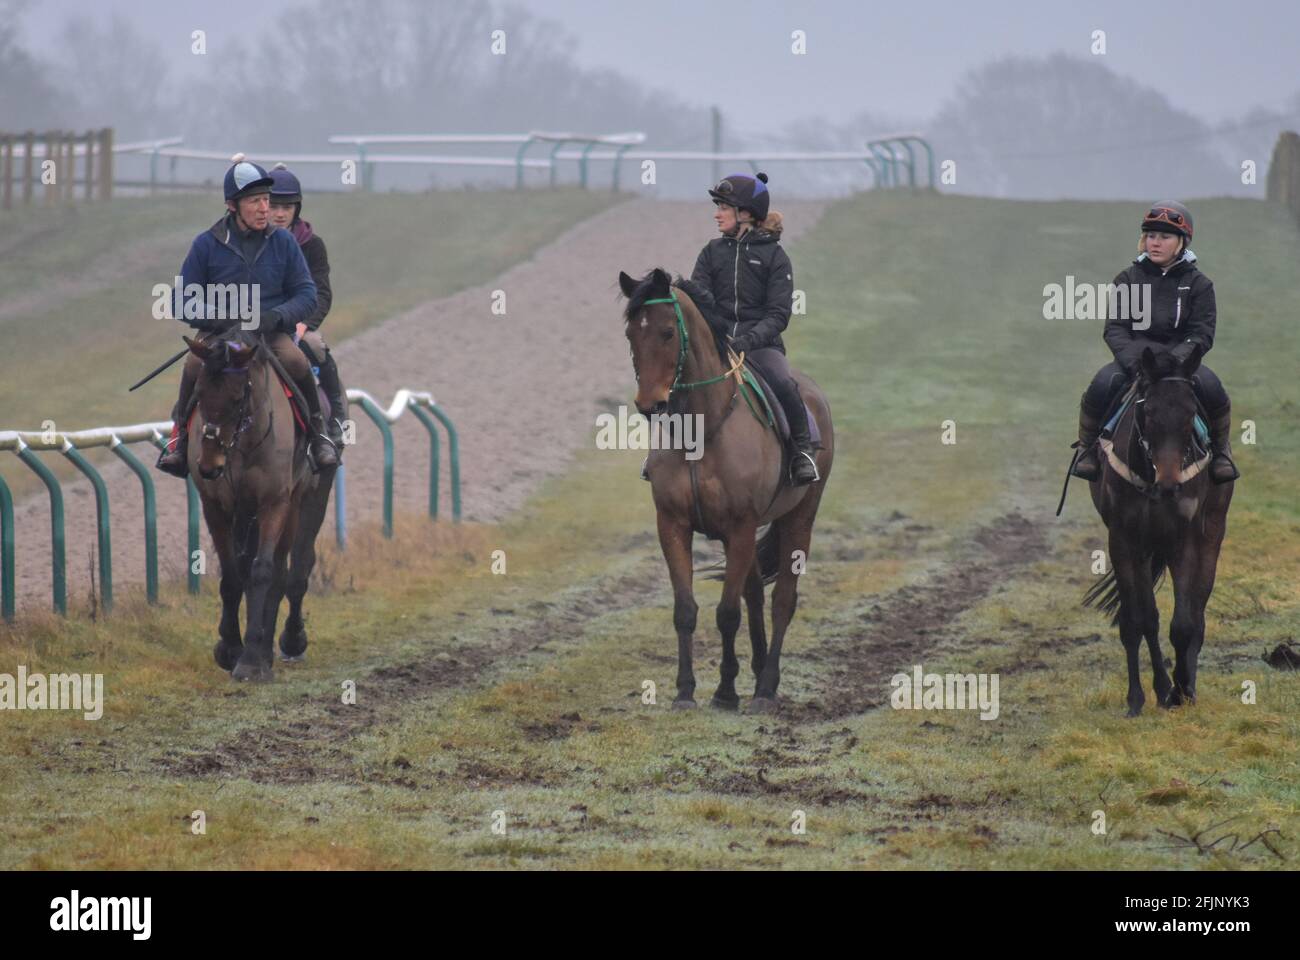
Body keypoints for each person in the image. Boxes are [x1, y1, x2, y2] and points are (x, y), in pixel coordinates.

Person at [156, 154, 339, 476]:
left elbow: (307, 293)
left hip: (269, 334)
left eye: (266, 200)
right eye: (255, 201)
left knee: (296, 361)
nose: (265, 209)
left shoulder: (283, 242)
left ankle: (318, 436)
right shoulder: (206, 244)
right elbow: (180, 298)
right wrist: (217, 318)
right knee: (193, 363)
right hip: (219, 335)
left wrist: (276, 317)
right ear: (232, 205)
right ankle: (179, 441)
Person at [1072, 201, 1238, 484]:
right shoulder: (1127, 279)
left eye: (1164, 237)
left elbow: (1201, 333)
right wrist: (1137, 362)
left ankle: (1221, 453)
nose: (1155, 243)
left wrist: (1177, 362)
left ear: (1181, 243)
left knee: (1212, 388)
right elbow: (1116, 329)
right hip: (1136, 362)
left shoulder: (1200, 285)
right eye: (1151, 236)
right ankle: (1087, 450)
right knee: (1102, 384)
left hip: (1181, 366)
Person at [676, 171, 819, 485]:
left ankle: (802, 451)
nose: (717, 214)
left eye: (723, 208)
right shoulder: (711, 252)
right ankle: (665, 457)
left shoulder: (775, 257)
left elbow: (779, 313)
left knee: (783, 382)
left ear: (745, 214)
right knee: (678, 386)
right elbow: (701, 301)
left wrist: (749, 339)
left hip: (761, 346)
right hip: (718, 344)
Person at [267, 162, 347, 448]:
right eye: (274, 205)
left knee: (315, 345)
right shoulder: (250, 242)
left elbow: (322, 293)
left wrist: (304, 324)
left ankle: (335, 418)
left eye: (286, 207)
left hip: (298, 324)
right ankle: (183, 432)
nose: (279, 213)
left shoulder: (312, 245)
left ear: (296, 209)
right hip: (257, 323)